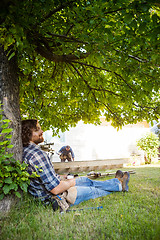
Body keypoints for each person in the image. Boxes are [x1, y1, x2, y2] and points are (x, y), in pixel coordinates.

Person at [22, 119, 130, 211]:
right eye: (37, 129)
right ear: (28, 134)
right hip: (56, 198)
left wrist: (62, 177)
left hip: (52, 190)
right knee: (93, 191)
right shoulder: (37, 154)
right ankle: (119, 186)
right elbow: (55, 189)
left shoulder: (28, 151)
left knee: (86, 181)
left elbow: (44, 178)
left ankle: (116, 182)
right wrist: (70, 182)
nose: (42, 131)